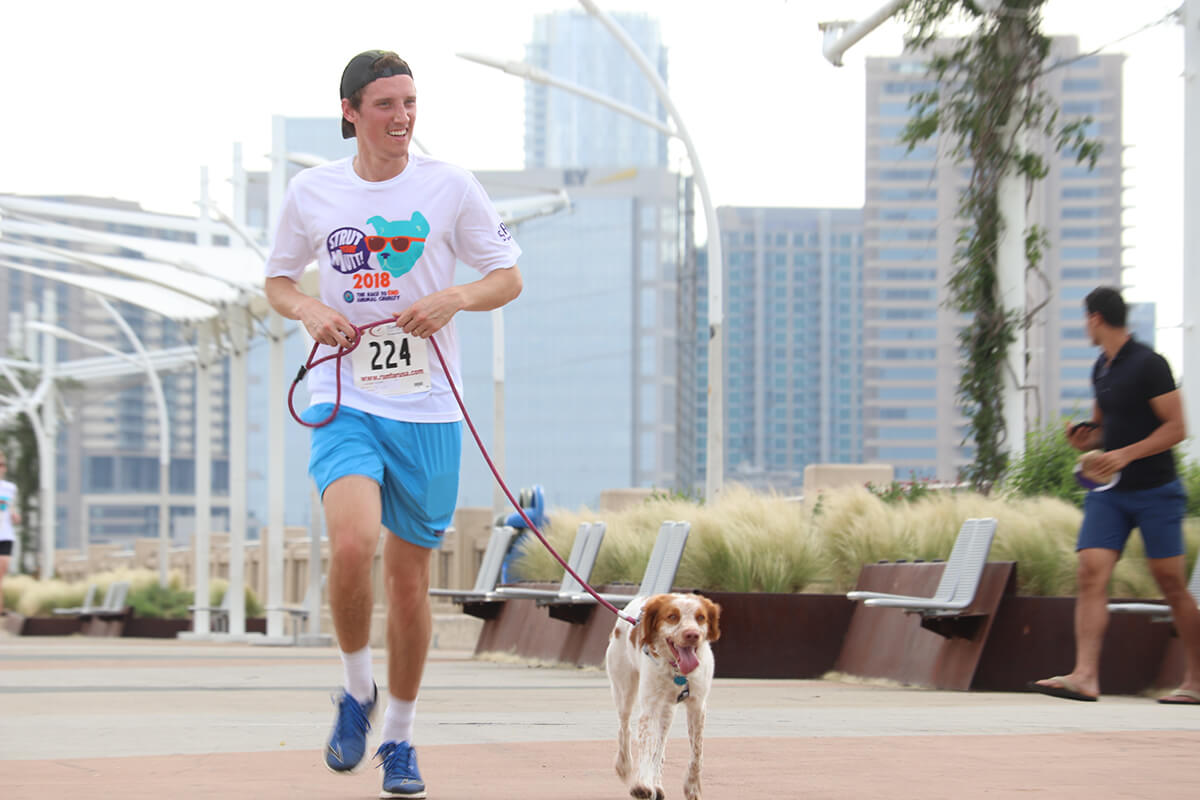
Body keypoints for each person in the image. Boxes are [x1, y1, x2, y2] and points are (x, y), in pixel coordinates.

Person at [264, 50, 523, 797]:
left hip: (431, 407)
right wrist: (311, 309)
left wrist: (455, 300)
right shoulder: (312, 191)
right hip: (346, 398)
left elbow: (507, 274)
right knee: (351, 545)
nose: (402, 117)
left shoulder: (450, 186)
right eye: (384, 104)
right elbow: (279, 281)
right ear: (349, 111)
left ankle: (401, 741)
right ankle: (355, 690)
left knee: (409, 584)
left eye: (410, 102)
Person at [1030, 286, 1200, 704]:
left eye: (1083, 319)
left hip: (1157, 491)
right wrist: (1086, 441)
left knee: (1171, 584)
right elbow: (1106, 430)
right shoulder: (1101, 368)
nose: (1083, 326)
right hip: (1110, 493)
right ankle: (1085, 675)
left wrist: (1125, 454)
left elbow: (1177, 428)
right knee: (1091, 571)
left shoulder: (1150, 364)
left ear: (1095, 319)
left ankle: (1196, 681)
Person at [0, 449, 21, 617]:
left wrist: (15, 515)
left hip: (5, 535)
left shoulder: (10, 488)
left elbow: (12, 508)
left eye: (2, 464)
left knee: (1, 575)